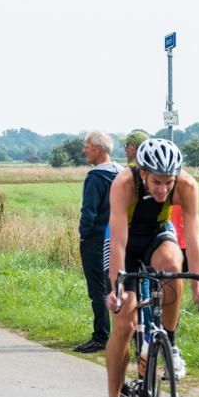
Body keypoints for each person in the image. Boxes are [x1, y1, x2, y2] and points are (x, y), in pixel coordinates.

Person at [102, 138, 199, 397]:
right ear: (143, 173)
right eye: (156, 182)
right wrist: (117, 285)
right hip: (123, 241)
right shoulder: (124, 183)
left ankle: (170, 341)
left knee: (172, 263)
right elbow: (117, 240)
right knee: (125, 322)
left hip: (157, 234)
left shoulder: (187, 186)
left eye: (169, 182)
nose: (163, 190)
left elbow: (193, 238)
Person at [74, 132, 123, 353]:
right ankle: (122, 333)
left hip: (96, 238)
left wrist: (83, 234)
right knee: (120, 286)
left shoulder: (95, 177)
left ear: (98, 148)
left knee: (98, 289)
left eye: (87, 146)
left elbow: (89, 212)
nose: (85, 150)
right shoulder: (122, 174)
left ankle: (100, 336)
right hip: (119, 236)